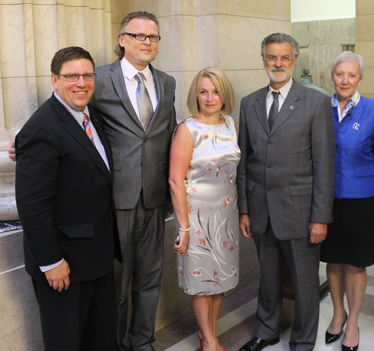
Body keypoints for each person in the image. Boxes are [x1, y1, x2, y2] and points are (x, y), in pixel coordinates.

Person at [15, 46, 121, 350]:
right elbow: (32, 206)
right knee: (66, 342)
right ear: (55, 80)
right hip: (64, 266)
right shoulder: (42, 128)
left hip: (96, 256)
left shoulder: (92, 116)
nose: (81, 83)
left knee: (100, 338)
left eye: (88, 75)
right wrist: (51, 261)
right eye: (72, 76)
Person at [237, 33, 335, 351]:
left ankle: (304, 340)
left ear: (294, 60)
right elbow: (244, 160)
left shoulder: (316, 101)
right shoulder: (249, 103)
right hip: (261, 209)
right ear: (263, 59)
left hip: (300, 211)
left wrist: (321, 217)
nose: (277, 64)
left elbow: (324, 164)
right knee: (268, 278)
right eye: (271, 57)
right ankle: (266, 330)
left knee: (305, 282)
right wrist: (244, 209)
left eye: (284, 58)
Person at [92, 11, 177, 351]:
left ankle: (143, 341)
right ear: (122, 39)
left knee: (150, 278)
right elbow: (67, 115)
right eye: (139, 35)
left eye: (152, 37)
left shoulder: (167, 82)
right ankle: (114, 344)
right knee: (117, 282)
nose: (146, 42)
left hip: (155, 197)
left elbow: (169, 132)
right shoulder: (99, 78)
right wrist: (25, 141)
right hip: (116, 199)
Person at [320, 51, 374, 351]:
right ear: (332, 77)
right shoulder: (320, 107)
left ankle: (353, 323)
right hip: (327, 197)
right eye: (340, 74)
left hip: (362, 198)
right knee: (333, 260)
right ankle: (338, 313)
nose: (345, 80)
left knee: (355, 263)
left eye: (351, 74)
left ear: (360, 78)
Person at [169, 67, 238, 351]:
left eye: (216, 91)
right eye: (203, 91)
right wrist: (183, 227)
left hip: (226, 215)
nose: (210, 98)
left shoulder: (231, 124)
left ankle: (207, 332)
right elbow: (175, 180)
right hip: (195, 217)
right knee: (200, 281)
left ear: (224, 95)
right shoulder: (187, 129)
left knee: (219, 278)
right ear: (195, 95)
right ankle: (210, 340)